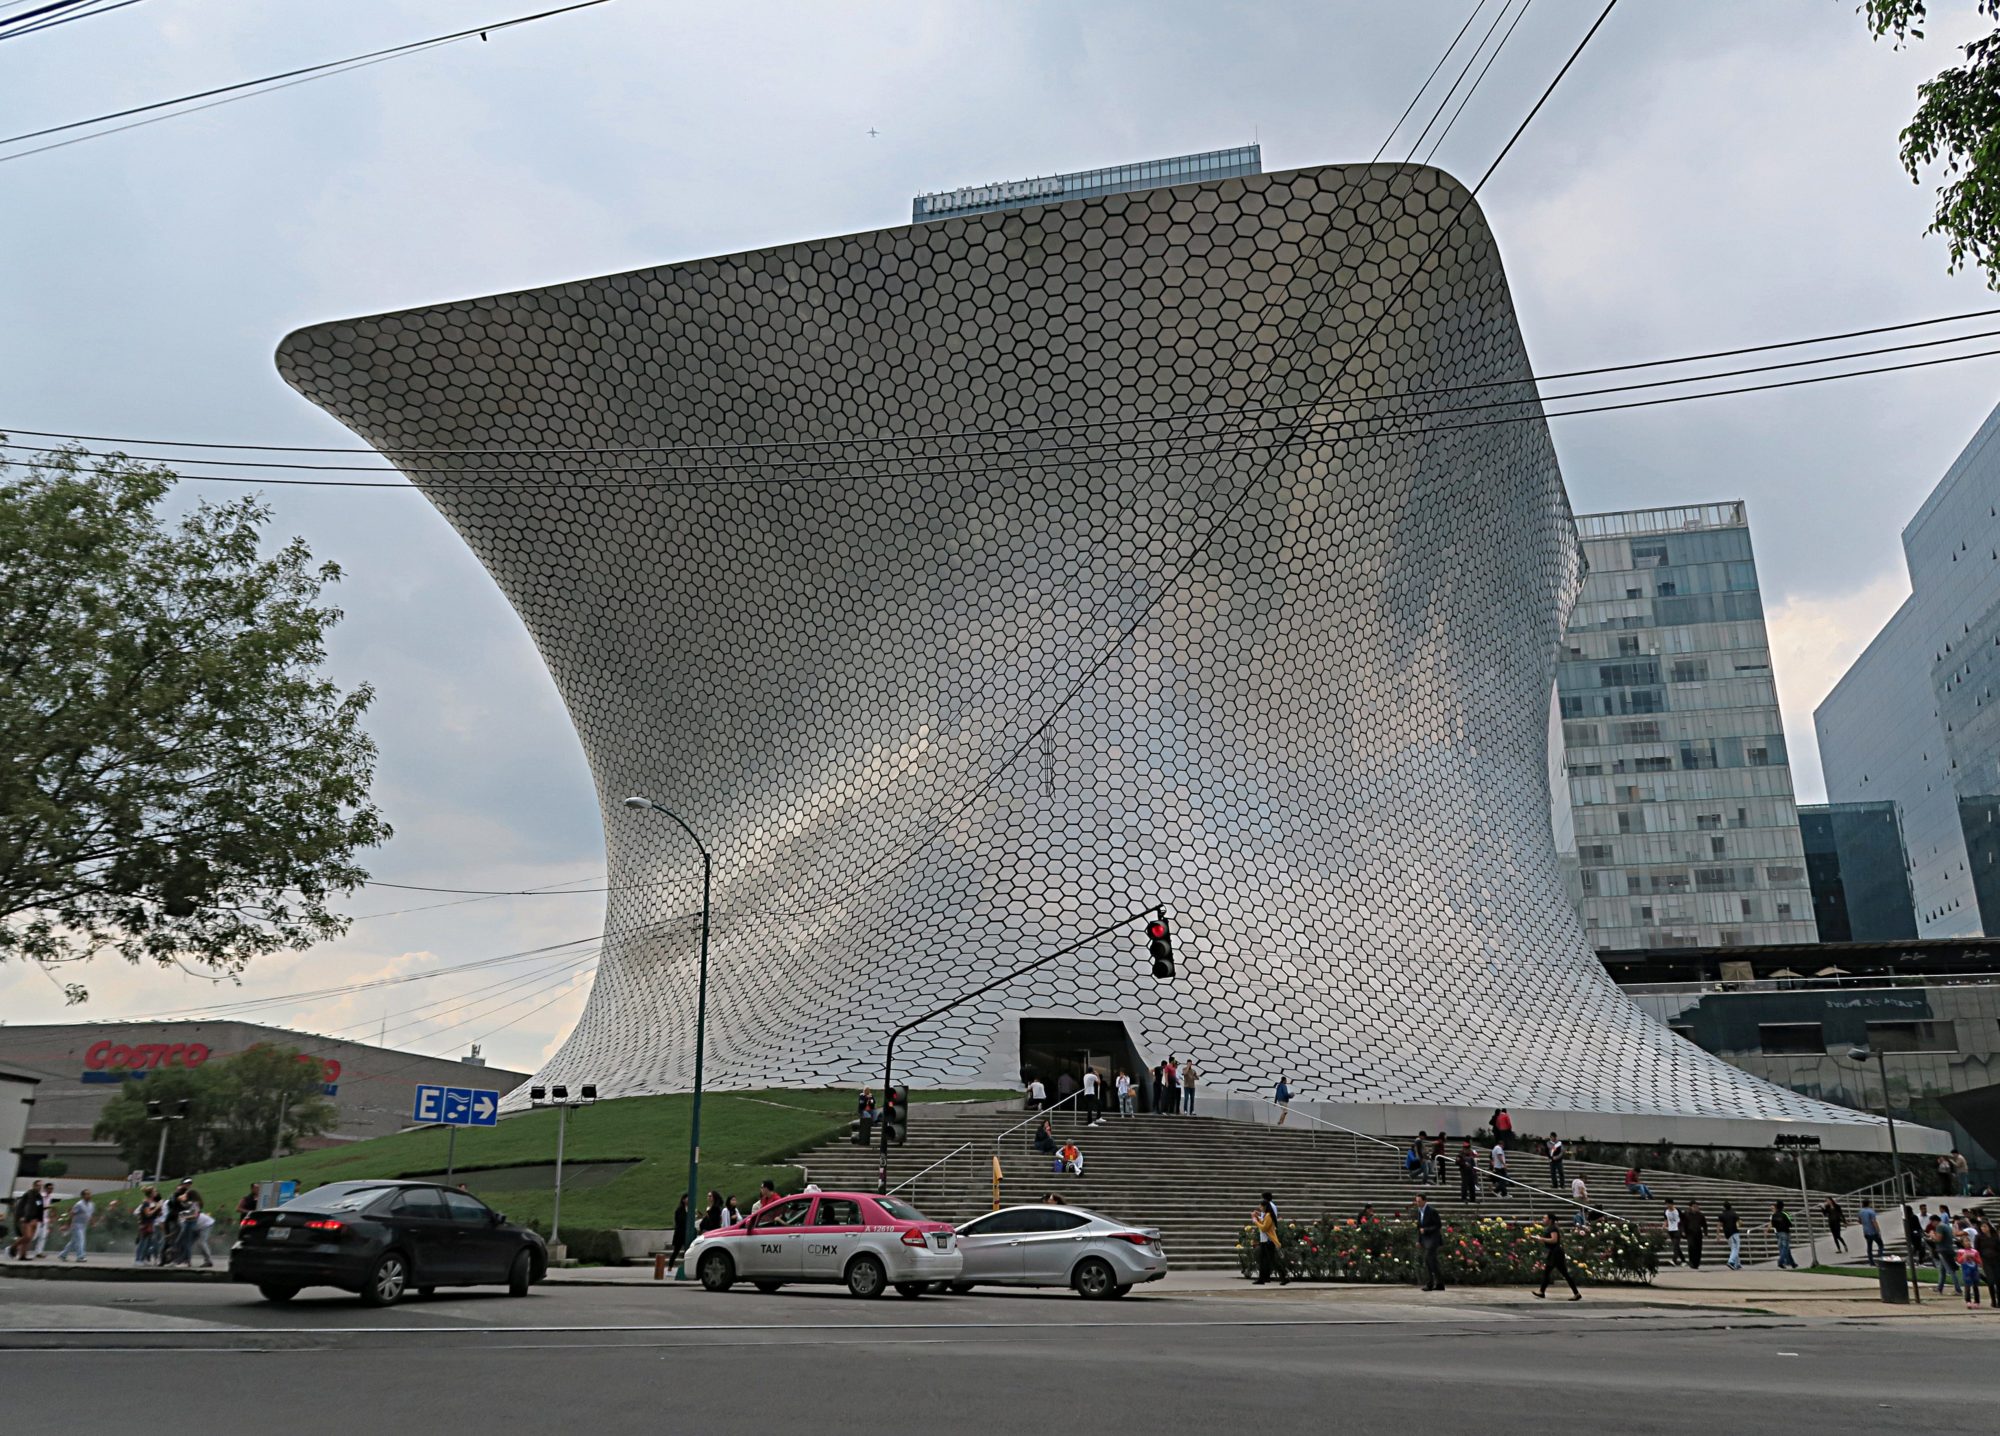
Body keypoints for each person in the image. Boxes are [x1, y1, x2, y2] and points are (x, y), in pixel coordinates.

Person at [1531, 1212, 1581, 1300]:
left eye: (1544, 1218)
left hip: (1556, 1253)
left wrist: (1541, 1239)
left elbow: (1554, 1240)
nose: (1543, 1220)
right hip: (1553, 1252)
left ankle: (1576, 1293)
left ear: (1550, 1220)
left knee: (1564, 1273)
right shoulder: (1550, 1228)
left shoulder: (1553, 1228)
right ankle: (1542, 1292)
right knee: (1547, 1272)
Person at [1250, 1198, 1289, 1285]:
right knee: (1263, 1260)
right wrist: (1257, 1217)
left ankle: (1284, 1277)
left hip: (1268, 1241)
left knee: (1273, 1260)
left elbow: (1264, 1228)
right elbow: (1263, 1222)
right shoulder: (1267, 1215)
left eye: (1261, 1206)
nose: (1260, 1207)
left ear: (1265, 1206)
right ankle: (1262, 1279)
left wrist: (1255, 1221)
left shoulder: (1269, 1215)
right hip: (1264, 1241)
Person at [1414, 1192, 1445, 1291]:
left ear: (1424, 1201)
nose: (1417, 1203)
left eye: (1419, 1201)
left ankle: (1430, 1283)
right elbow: (1419, 1227)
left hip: (1433, 1239)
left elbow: (1438, 1225)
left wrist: (1426, 1230)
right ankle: (1440, 1283)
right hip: (1425, 1239)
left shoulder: (1432, 1211)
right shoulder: (1419, 1212)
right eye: (1416, 1201)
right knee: (1433, 1262)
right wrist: (1419, 1240)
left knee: (1428, 1259)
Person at [9, 1180, 46, 1260]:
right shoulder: (29, 1194)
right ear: (34, 1186)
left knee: (28, 1239)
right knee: (27, 1237)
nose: (39, 1187)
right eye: (38, 1185)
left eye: (41, 1186)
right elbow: (25, 1207)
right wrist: (23, 1217)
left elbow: (40, 1208)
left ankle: (23, 1255)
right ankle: (13, 1246)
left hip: (34, 1220)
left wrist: (40, 1219)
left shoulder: (39, 1196)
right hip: (27, 1219)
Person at [56, 1191, 94, 1263]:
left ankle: (63, 1255)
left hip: (84, 1225)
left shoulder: (91, 1204)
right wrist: (67, 1225)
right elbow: (71, 1214)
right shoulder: (79, 1204)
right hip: (76, 1225)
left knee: (73, 1242)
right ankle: (80, 1256)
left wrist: (92, 1223)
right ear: (83, 1196)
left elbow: (90, 1214)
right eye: (87, 1194)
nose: (89, 1195)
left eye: (90, 1194)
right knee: (81, 1240)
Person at [1975, 1216, 2000, 1308]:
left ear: (1989, 1227)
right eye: (1982, 1227)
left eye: (1985, 1226)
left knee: (1998, 1281)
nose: (1983, 1228)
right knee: (1990, 1281)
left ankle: (1998, 1301)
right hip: (1986, 1261)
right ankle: (1993, 1300)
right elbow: (1977, 1250)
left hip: (1996, 1260)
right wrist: (1979, 1260)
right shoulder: (1979, 1237)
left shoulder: (1995, 1236)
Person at [134, 1187, 161, 1266]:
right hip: (145, 1225)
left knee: (147, 1243)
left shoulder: (151, 1202)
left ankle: (142, 1258)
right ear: (151, 1194)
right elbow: (148, 1213)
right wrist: (156, 1208)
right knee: (142, 1243)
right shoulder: (146, 1203)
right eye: (155, 1191)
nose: (156, 1192)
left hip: (149, 1224)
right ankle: (138, 1259)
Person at [1768, 1200, 1798, 1270]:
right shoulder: (1785, 1214)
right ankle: (1780, 1261)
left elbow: (1773, 1224)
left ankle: (1793, 1263)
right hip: (1785, 1232)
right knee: (1785, 1248)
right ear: (1783, 1206)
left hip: (1778, 1233)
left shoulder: (1774, 1215)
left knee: (1785, 1248)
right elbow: (1790, 1223)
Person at [1958, 1227, 1983, 1306]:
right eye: (1966, 1241)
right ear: (1962, 1243)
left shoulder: (1975, 1251)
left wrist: (1973, 1257)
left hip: (1974, 1271)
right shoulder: (1961, 1251)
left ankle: (1977, 1301)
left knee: (1975, 1286)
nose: (1968, 1242)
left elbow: (1980, 1262)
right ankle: (1968, 1300)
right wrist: (1964, 1257)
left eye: (1968, 1241)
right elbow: (1959, 1261)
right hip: (1966, 1271)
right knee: (1967, 1287)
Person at [1684, 1200, 1708, 1270]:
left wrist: (1705, 1233)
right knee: (1691, 1247)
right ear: (1690, 1207)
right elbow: (1683, 1224)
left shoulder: (1701, 1215)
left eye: (1697, 1207)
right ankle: (1691, 1262)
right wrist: (1683, 1231)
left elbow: (1704, 1225)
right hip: (1690, 1233)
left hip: (1698, 1233)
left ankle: (1697, 1263)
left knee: (1698, 1249)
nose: (1696, 1208)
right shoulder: (1686, 1214)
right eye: (1694, 1207)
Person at [669, 1194, 691, 1266]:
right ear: (683, 1200)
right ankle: (670, 1267)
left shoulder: (690, 1209)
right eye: (687, 1198)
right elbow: (680, 1220)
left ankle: (687, 1267)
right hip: (680, 1234)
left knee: (688, 1252)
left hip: (686, 1234)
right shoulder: (679, 1210)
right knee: (676, 1251)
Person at [1721, 1200, 1742, 1270]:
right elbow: (1740, 1222)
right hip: (1734, 1232)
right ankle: (1731, 1261)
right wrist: (1739, 1225)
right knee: (1736, 1248)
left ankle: (1737, 1263)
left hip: (1727, 1234)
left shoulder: (1722, 1214)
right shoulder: (1733, 1213)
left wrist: (1718, 1234)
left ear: (1724, 1207)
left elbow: (1719, 1225)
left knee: (1733, 1248)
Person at [1662, 1199, 1683, 1266]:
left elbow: (1683, 1220)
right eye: (1666, 1204)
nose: (1667, 1205)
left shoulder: (1678, 1211)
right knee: (1676, 1246)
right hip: (1670, 1230)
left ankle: (1674, 1260)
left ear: (1671, 1204)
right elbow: (1666, 1219)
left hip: (1678, 1229)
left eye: (1668, 1204)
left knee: (1676, 1245)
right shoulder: (1666, 1211)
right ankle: (1684, 1260)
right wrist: (1664, 1226)